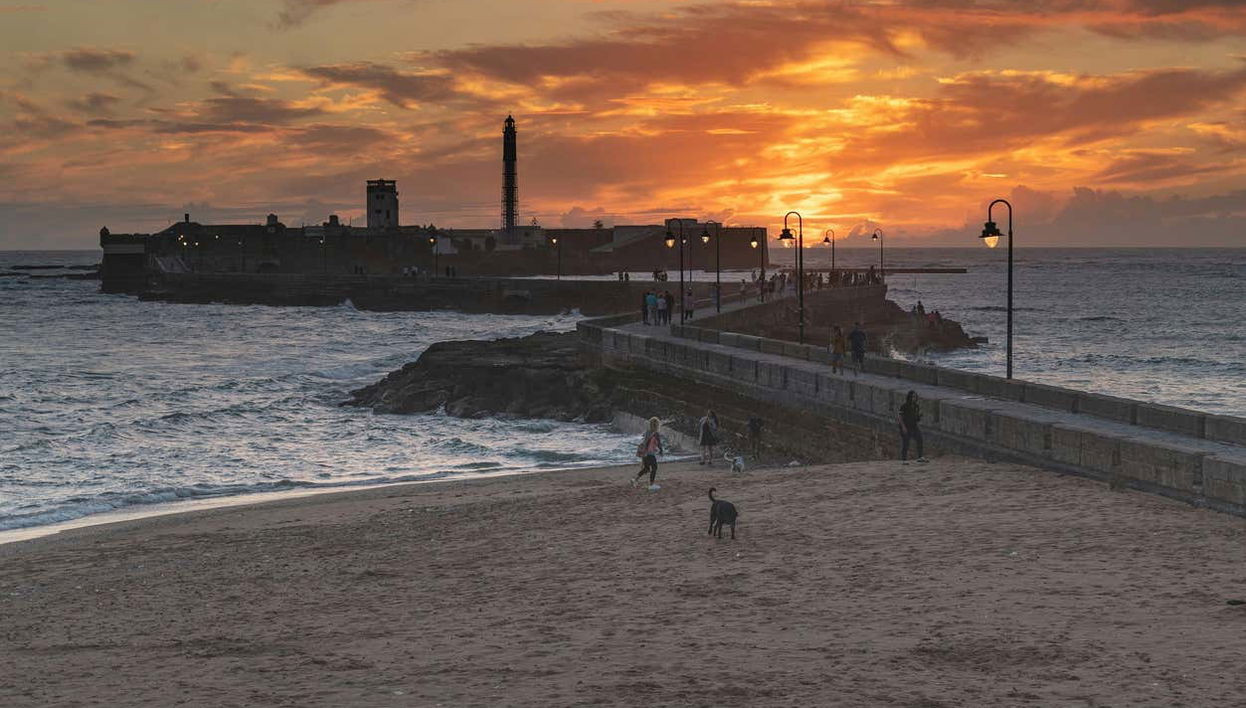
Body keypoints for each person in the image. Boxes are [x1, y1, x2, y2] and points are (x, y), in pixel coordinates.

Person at [633, 417, 664, 488]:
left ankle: (635, 479)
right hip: (650, 454)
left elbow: (645, 442)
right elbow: (659, 444)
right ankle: (651, 484)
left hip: (645, 453)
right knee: (654, 468)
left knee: (646, 468)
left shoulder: (647, 432)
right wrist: (661, 451)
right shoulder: (656, 434)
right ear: (657, 425)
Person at [898, 390, 927, 463]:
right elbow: (900, 417)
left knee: (920, 439)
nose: (914, 398)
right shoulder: (904, 406)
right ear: (910, 397)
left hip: (914, 426)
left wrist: (919, 416)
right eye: (913, 396)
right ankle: (904, 459)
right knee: (906, 442)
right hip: (906, 426)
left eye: (915, 396)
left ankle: (920, 457)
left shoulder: (916, 406)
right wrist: (903, 427)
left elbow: (916, 418)